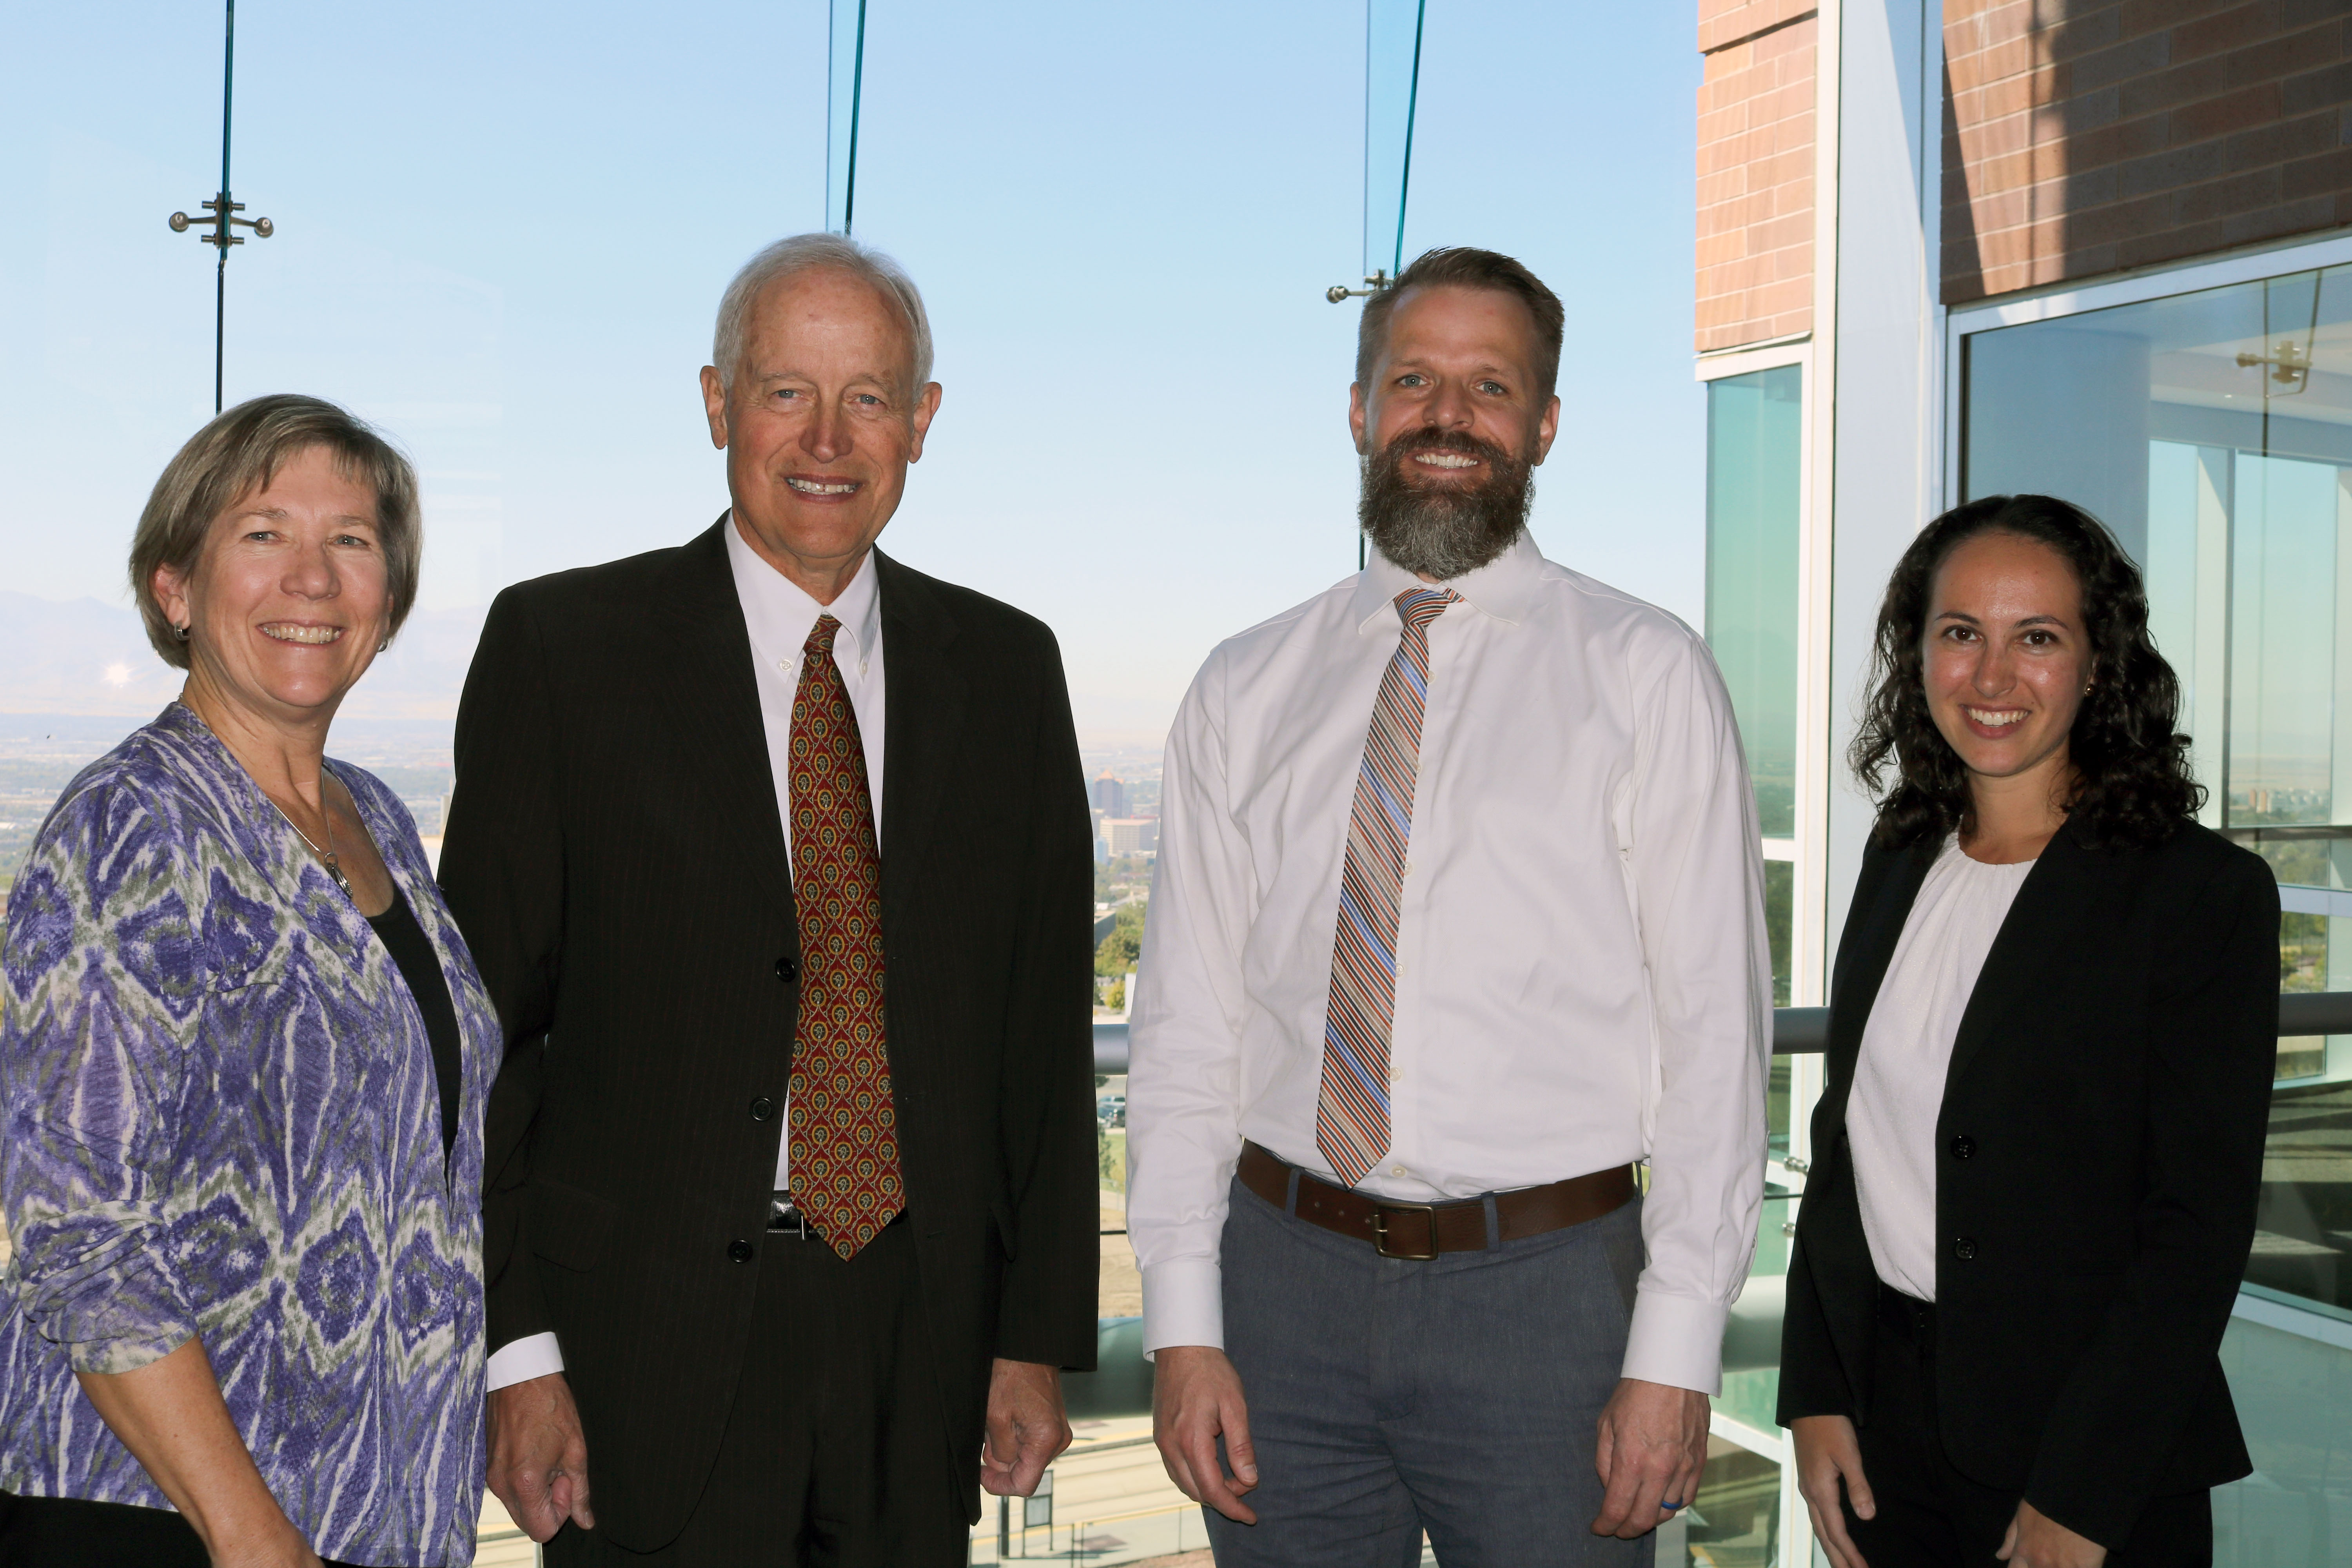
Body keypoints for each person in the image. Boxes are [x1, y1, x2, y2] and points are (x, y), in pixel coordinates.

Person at [437, 232, 1097, 1567]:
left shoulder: (1011, 671)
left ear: (922, 423)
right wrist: (516, 1352)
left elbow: (1040, 1048)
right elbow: (478, 1049)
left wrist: (1034, 1339)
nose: (829, 438)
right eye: (787, 389)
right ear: (716, 401)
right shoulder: (563, 652)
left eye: (869, 396)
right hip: (639, 1361)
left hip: (918, 1356)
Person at [1126, 245, 1773, 1564]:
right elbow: (1188, 1025)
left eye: (1491, 387)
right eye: (1415, 378)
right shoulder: (1245, 686)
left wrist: (1677, 1351)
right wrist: (1186, 1324)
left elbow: (1717, 1038)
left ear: (1543, 426)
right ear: (1359, 409)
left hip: (1550, 1307)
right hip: (1281, 1293)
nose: (1447, 416)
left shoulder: (1647, 675)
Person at [0, 395, 499, 1568]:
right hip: (172, 1522)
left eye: (354, 541)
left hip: (369, 1512)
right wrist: (251, 1536)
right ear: (175, 591)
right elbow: (83, 1243)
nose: (314, 580)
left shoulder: (371, 813)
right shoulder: (132, 830)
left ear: (388, 602)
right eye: (266, 534)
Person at [1779, 495, 2278, 1568]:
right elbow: (1844, 1138)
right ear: (1918, 657)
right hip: (1886, 1436)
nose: (1992, 678)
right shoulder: (1901, 854)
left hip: (2088, 1455)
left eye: (2037, 639)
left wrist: (2083, 1495)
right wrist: (1817, 1390)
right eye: (1961, 634)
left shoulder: (2199, 896)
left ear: (2100, 666)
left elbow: (2196, 1228)